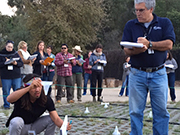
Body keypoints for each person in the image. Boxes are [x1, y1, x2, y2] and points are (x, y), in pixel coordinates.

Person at [121, 0, 175, 134]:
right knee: (135, 111)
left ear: (151, 9)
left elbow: (169, 44)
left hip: (159, 73)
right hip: (137, 73)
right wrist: (138, 50)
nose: (138, 13)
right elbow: (126, 50)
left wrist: (150, 44)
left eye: (141, 10)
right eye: (136, 10)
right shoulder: (131, 25)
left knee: (161, 111)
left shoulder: (164, 23)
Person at [5, 74, 71, 135]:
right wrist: (28, 88)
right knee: (17, 121)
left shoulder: (45, 98)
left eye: (39, 86)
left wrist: (64, 125)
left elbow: (55, 118)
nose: (37, 90)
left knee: (51, 119)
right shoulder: (22, 95)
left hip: (34, 126)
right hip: (21, 127)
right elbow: (9, 99)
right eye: (34, 87)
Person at [0, 40, 23, 109]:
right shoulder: (1, 54)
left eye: (11, 47)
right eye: (8, 47)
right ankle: (6, 105)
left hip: (16, 76)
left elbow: (21, 63)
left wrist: (15, 63)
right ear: (5, 46)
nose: (10, 48)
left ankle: (18, 105)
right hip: (6, 76)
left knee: (17, 91)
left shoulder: (16, 53)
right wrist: (5, 62)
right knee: (6, 91)